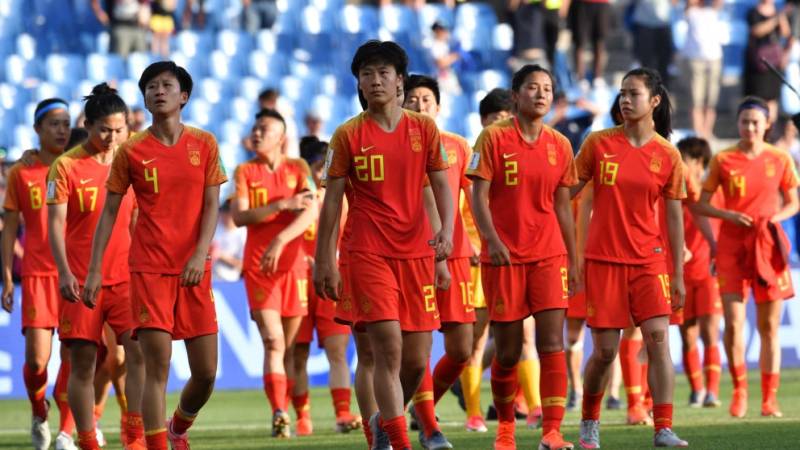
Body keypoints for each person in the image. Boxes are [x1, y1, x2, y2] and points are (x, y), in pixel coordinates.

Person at [314, 40, 454, 450]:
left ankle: (381, 422)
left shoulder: (424, 129)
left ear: (399, 82)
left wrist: (446, 231)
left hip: (415, 252)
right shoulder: (347, 135)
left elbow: (442, 185)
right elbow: (332, 203)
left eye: (383, 73)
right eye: (366, 74)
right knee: (386, 349)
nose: (374, 80)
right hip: (366, 252)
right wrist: (325, 260)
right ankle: (395, 441)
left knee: (415, 360)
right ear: (359, 83)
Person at [82, 61, 227, 449]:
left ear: (184, 96)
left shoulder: (205, 144)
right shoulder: (131, 151)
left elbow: (213, 205)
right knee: (153, 368)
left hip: (196, 269)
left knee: (206, 373)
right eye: (150, 86)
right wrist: (94, 271)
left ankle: (177, 427)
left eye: (166, 85)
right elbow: (109, 212)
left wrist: (199, 254)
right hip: (148, 270)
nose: (158, 91)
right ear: (144, 99)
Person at [572, 67, 689, 448]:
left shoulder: (668, 155)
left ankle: (663, 428)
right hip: (603, 260)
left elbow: (674, 219)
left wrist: (678, 275)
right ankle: (590, 421)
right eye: (622, 93)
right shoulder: (597, 143)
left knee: (658, 341)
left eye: (633, 93)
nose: (624, 99)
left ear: (654, 101)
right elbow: (566, 190)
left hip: (649, 261)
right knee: (605, 352)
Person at [467, 64, 576, 450]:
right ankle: (506, 430)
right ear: (516, 95)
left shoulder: (560, 145)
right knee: (509, 351)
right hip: (505, 259)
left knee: (551, 345)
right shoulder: (493, 137)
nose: (541, 94)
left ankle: (552, 432)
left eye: (547, 88)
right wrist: (491, 240)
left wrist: (574, 259)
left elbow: (563, 207)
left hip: (549, 256)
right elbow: (477, 196)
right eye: (533, 87)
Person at [46, 83, 145, 450]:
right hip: (80, 282)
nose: (111, 137)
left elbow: (137, 219)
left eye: (119, 130)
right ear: (87, 125)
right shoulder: (66, 166)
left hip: (125, 279)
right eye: (104, 129)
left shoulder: (132, 164)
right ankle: (86, 439)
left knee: (136, 355)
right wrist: (65, 272)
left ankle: (134, 435)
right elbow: (55, 225)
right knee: (82, 363)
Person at [694, 96, 799, 418]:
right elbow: (701, 204)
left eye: (756, 122)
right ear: (738, 124)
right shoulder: (723, 159)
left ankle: (769, 398)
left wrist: (776, 218)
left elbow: (794, 202)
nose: (750, 127)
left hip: (767, 247)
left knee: (768, 326)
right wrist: (728, 215)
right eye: (744, 122)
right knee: (735, 323)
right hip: (731, 248)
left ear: (767, 124)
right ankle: (740, 390)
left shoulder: (780, 158)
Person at [230, 108, 317, 438]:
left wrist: (281, 238)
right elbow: (239, 217)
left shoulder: (299, 168)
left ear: (281, 137)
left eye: (263, 128)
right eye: (254, 128)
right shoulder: (244, 171)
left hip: (293, 266)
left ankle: (298, 411)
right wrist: (280, 207)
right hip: (259, 266)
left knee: (292, 347)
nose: (256, 133)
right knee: (273, 340)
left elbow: (311, 210)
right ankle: (279, 412)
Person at [402, 74, 474, 449]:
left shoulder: (459, 146)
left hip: (456, 253)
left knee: (462, 348)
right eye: (412, 100)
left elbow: (473, 199)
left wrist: (480, 240)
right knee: (421, 346)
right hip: (413, 254)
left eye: (426, 99)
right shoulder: (398, 145)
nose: (419, 106)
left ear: (439, 106)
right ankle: (430, 427)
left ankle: (421, 407)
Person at [1, 98, 74, 450]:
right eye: (54, 124)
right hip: (37, 276)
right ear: (37, 129)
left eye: (66, 123)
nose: (61, 129)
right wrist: (6, 277)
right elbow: (9, 227)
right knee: (36, 361)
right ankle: (38, 411)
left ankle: (66, 433)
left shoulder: (78, 165)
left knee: (78, 355)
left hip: (73, 276)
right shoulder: (22, 172)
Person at [292, 137, 360, 436]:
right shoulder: (296, 195)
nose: (324, 173)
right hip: (297, 282)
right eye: (319, 166)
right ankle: (302, 416)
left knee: (337, 350)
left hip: (332, 278)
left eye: (327, 166)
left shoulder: (342, 197)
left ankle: (343, 413)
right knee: (298, 353)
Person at [458, 88, 513, 433]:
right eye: (495, 119)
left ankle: (532, 407)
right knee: (476, 339)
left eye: (507, 119)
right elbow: (464, 211)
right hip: (478, 261)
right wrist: (476, 246)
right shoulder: (472, 158)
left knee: (520, 335)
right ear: (483, 122)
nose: (501, 125)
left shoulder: (522, 156)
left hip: (515, 258)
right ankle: (474, 412)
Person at [674, 137, 724, 408]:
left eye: (686, 160)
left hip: (708, 271)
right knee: (687, 334)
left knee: (709, 332)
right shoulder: (675, 191)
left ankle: (712, 391)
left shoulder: (711, 192)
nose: (680, 165)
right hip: (680, 272)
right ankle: (696, 389)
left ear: (699, 163)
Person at [743, 0, 791, 122]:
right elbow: (757, 31)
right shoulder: (753, 12)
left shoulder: (779, 13)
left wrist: (781, 18)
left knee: (772, 99)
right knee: (757, 99)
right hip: (757, 63)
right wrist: (774, 20)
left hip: (773, 63)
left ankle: (769, 128)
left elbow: (785, 33)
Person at [681, 0, 724, 138]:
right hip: (695, 59)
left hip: (714, 58)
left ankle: (707, 132)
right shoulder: (690, 11)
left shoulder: (713, 10)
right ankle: (698, 133)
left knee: (711, 99)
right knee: (696, 99)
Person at [570, 0, 611, 88]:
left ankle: (598, 78)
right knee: (579, 42)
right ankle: (580, 78)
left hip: (601, 4)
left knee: (599, 42)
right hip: (581, 4)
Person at [211, 200, 245, 282]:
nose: (223, 215)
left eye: (226, 212)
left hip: (230, 280)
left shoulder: (243, 233)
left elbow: (243, 265)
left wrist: (220, 255)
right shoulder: (215, 227)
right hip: (211, 277)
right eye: (222, 211)